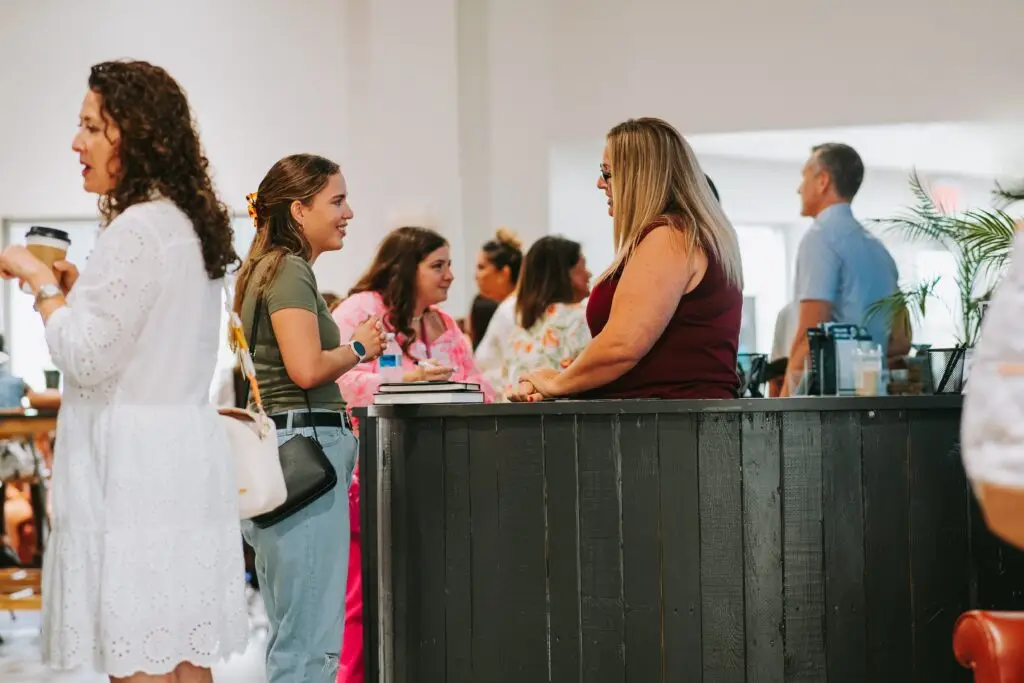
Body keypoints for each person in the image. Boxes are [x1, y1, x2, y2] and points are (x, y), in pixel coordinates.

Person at [0, 59, 249, 681]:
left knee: (138, 657)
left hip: (134, 471)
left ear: (132, 136)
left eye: (90, 126)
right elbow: (141, 332)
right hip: (180, 455)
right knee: (182, 658)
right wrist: (78, 289)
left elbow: (84, 357)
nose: (75, 143)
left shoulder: (137, 228)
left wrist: (39, 285)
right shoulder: (181, 223)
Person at [233, 154, 386, 683]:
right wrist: (360, 346)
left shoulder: (262, 268)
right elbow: (307, 367)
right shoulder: (288, 269)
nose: (348, 212)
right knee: (310, 641)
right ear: (299, 210)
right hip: (308, 445)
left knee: (293, 628)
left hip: (283, 446)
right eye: (336, 201)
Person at [332, 226, 497, 683]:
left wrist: (514, 397)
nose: (450, 277)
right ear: (407, 267)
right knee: (362, 598)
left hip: (436, 476)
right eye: (438, 265)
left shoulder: (442, 323)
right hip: (370, 474)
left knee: (424, 593)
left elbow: (477, 383)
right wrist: (407, 382)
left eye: (449, 265)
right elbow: (338, 383)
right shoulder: (361, 311)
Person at [509, 117, 744, 401]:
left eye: (607, 173)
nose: (600, 183)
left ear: (640, 177)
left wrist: (557, 386)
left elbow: (622, 346)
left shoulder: (670, 237)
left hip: (668, 424)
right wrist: (560, 379)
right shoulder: (685, 235)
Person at [781, 143, 899, 395]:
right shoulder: (879, 250)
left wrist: (780, 411)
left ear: (823, 180)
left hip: (831, 403)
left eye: (804, 176)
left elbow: (809, 335)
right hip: (874, 398)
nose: (799, 188)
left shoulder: (820, 238)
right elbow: (899, 339)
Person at [501, 236, 592, 396]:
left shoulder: (518, 333)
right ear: (564, 273)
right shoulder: (582, 319)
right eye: (582, 265)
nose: (589, 274)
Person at [472, 229, 524, 390]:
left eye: (482, 267)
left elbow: (516, 367)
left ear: (504, 273)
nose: (476, 275)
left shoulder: (510, 310)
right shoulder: (511, 306)